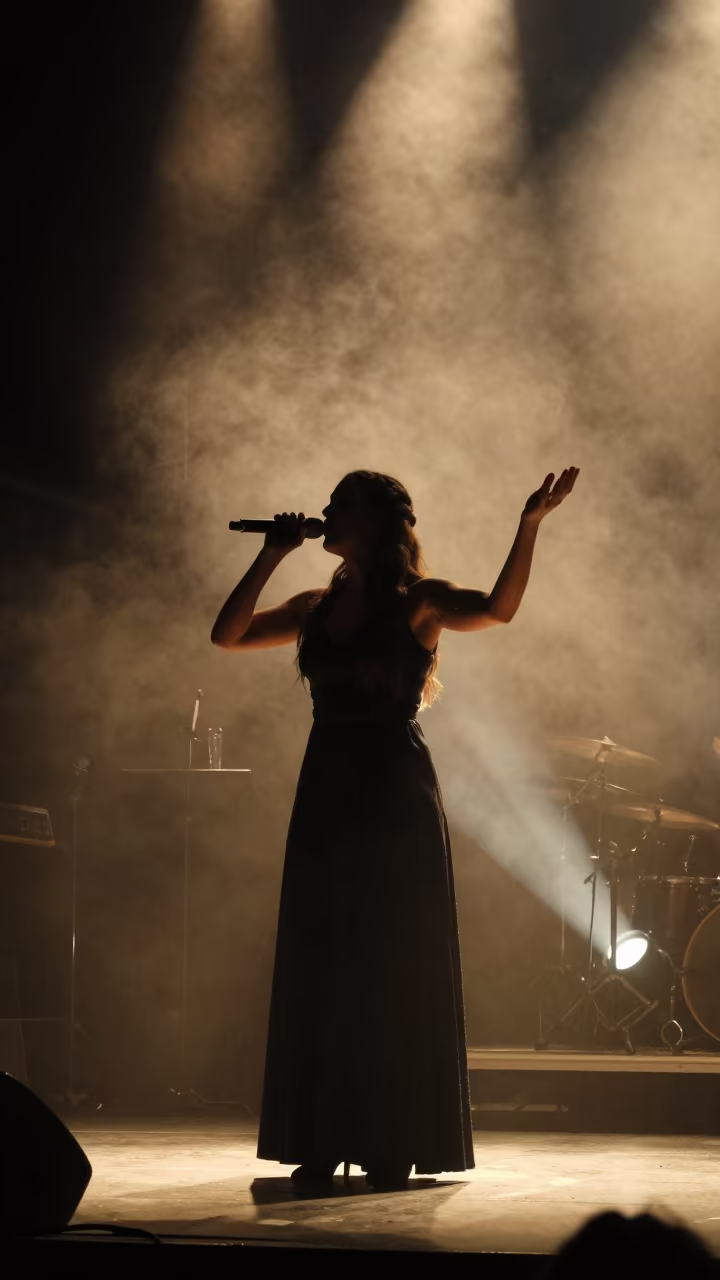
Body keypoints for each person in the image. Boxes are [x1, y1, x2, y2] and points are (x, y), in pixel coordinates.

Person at [211, 466, 579, 1191]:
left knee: (388, 968)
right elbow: (228, 635)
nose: (322, 513)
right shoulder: (317, 604)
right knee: (324, 965)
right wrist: (272, 552)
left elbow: (499, 610)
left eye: (337, 507)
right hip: (326, 792)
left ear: (376, 523)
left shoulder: (420, 603)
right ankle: (321, 1137)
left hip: (392, 794)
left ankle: (391, 1137)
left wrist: (529, 525)